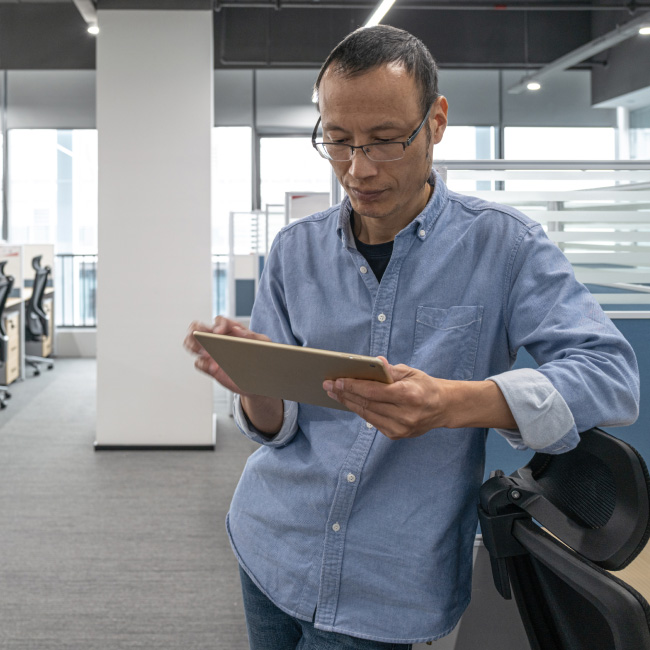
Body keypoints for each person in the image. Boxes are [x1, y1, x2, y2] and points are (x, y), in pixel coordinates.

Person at [184, 25, 639, 650]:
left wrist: (456, 403)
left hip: (391, 583)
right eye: (338, 142)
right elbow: (277, 425)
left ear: (438, 121)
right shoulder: (295, 251)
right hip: (272, 545)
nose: (359, 169)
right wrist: (254, 385)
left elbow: (611, 375)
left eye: (386, 141)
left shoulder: (503, 246)